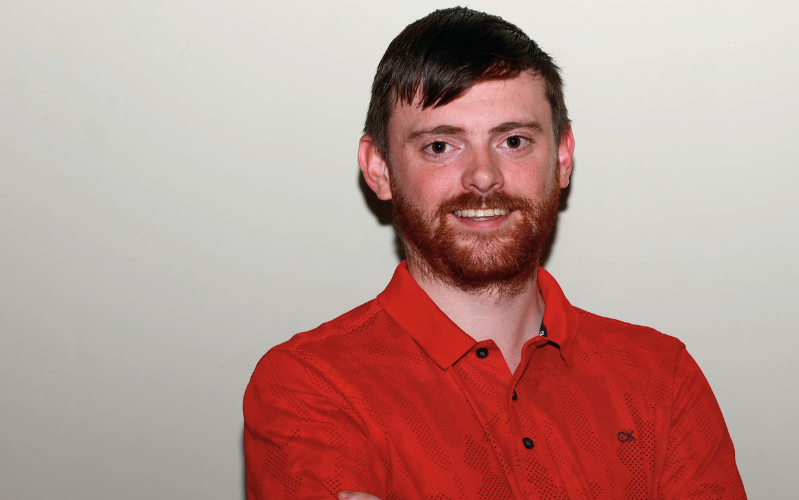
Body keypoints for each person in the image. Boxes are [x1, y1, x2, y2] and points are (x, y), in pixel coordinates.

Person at [243, 7, 746, 500]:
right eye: (441, 145)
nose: (483, 176)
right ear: (378, 168)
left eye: (513, 140)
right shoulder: (307, 386)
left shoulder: (661, 377)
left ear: (562, 157)